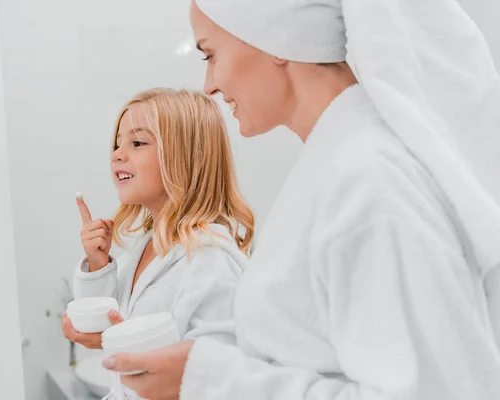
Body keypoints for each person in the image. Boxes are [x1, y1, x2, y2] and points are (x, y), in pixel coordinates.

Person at [101, 1, 500, 399]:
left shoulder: (370, 181)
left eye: (211, 55)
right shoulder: (334, 165)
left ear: (275, 40)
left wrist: (209, 378)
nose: (210, 85)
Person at [61, 88, 254, 399]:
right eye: (117, 143)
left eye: (137, 143)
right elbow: (108, 315)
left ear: (187, 158)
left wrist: (122, 342)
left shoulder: (211, 261)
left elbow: (217, 380)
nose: (117, 154)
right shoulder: (145, 249)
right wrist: (98, 264)